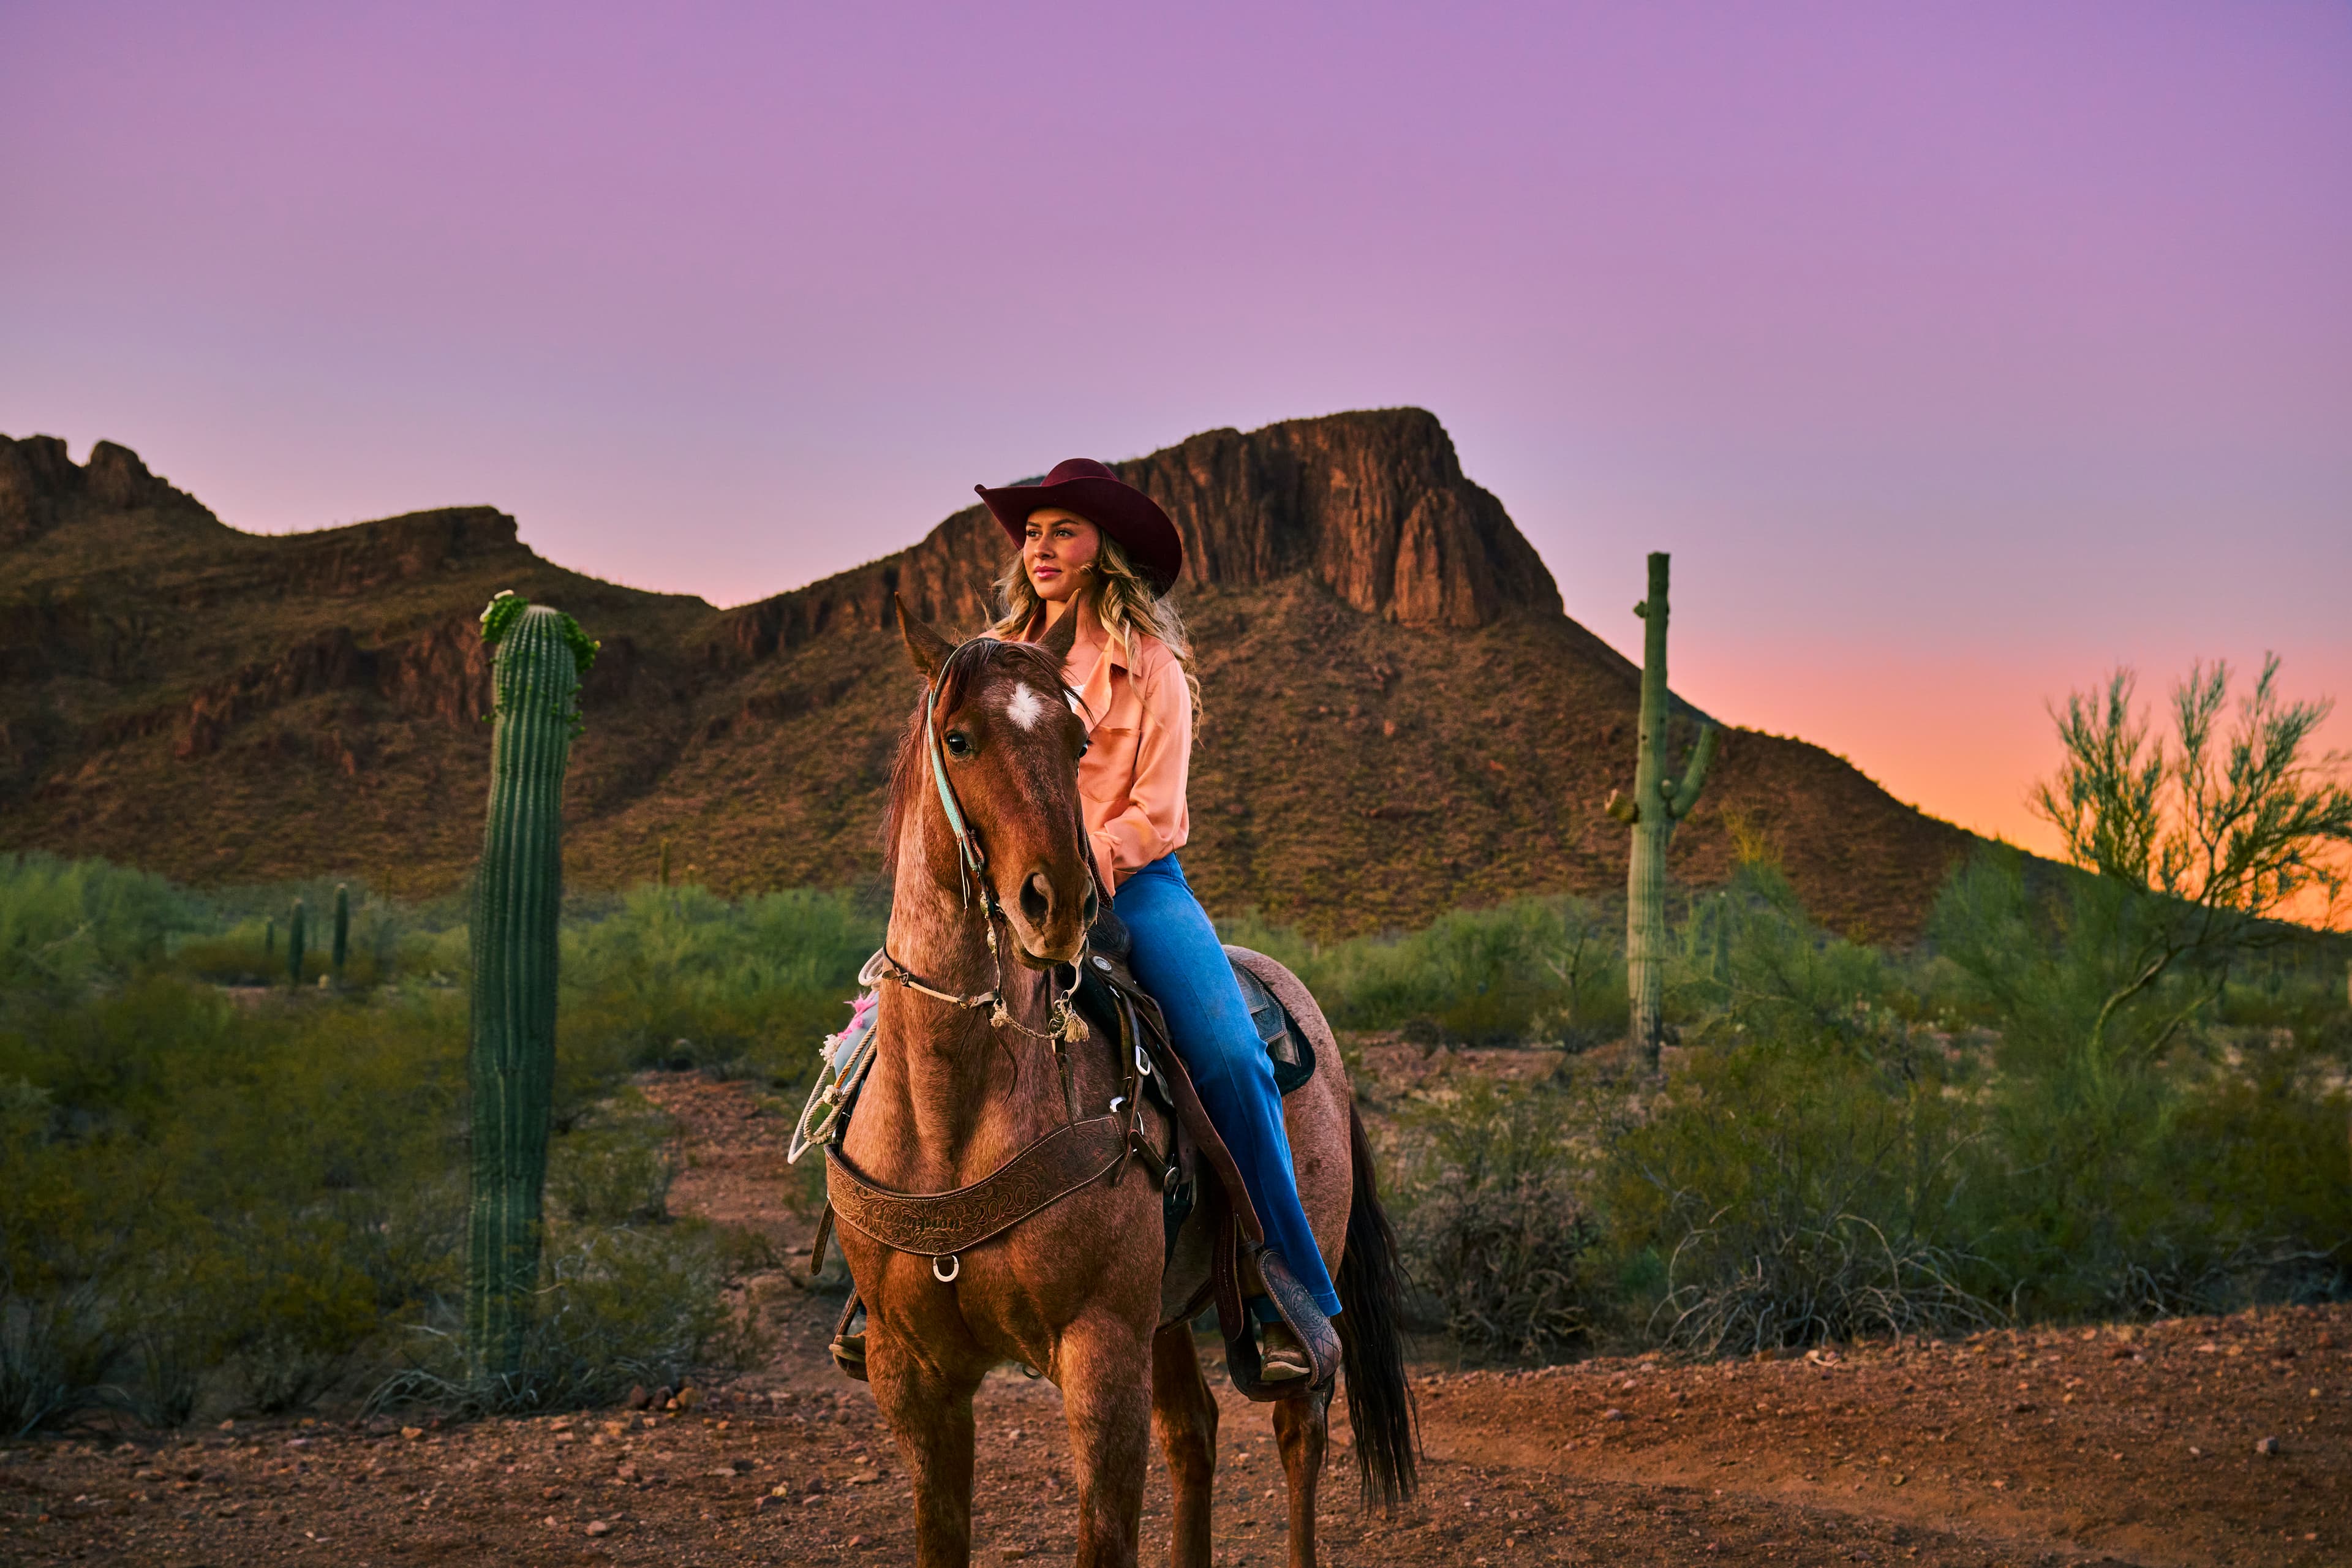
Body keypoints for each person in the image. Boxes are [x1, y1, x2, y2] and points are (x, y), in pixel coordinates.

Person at [974, 459, 1335, 1381]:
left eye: (1064, 529)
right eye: (1033, 531)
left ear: (1106, 550)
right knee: (888, 1024)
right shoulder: (992, 656)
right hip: (1010, 883)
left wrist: (1086, 864)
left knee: (1228, 1053)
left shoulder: (1152, 664)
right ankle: (880, 1272)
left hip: (1132, 882)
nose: (1042, 546)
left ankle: (1283, 1290)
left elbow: (1161, 809)